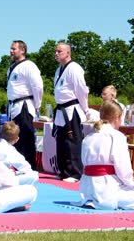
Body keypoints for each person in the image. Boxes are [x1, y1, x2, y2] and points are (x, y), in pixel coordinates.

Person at [78, 100, 134, 210]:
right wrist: (132, 183)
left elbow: (84, 163)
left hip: (86, 188)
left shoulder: (88, 137)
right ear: (117, 117)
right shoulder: (117, 136)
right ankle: (110, 202)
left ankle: (93, 199)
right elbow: (123, 168)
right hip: (107, 188)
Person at [53, 43, 90, 182]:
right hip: (61, 109)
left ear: (68, 53)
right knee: (61, 141)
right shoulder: (59, 70)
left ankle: (75, 173)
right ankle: (63, 171)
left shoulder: (74, 68)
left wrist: (85, 109)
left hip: (72, 108)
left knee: (73, 142)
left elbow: (82, 90)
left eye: (59, 51)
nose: (56, 53)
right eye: (55, 51)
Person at [6, 40, 43, 170]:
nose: (11, 51)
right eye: (11, 48)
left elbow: (37, 86)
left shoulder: (29, 65)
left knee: (25, 137)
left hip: (24, 105)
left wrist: (37, 104)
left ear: (22, 50)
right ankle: (17, 166)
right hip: (13, 106)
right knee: (14, 137)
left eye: (14, 49)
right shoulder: (11, 67)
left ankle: (29, 167)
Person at [0, 121, 39, 185]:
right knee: (34, 175)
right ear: (17, 139)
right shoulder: (9, 150)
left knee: (13, 172)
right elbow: (25, 166)